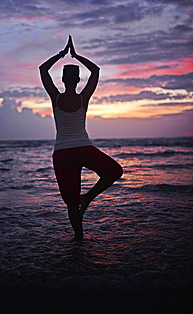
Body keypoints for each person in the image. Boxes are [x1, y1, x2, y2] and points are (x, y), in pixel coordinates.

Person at [39, 36, 123, 241]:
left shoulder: (55, 98)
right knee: (114, 171)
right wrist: (76, 55)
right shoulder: (83, 98)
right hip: (83, 148)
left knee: (71, 203)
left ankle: (79, 240)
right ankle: (88, 198)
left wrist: (61, 55)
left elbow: (43, 70)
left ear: (62, 80)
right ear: (77, 80)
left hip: (62, 154)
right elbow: (96, 71)